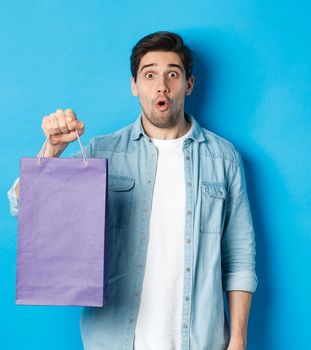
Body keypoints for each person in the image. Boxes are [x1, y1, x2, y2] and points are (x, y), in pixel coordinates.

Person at [6, 31, 257, 350]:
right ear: (134, 85)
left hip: (201, 341)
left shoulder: (224, 159)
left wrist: (238, 341)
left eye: (173, 74)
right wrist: (51, 150)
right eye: (149, 74)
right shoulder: (102, 152)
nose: (161, 85)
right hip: (114, 340)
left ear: (189, 84)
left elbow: (239, 260)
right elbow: (25, 208)